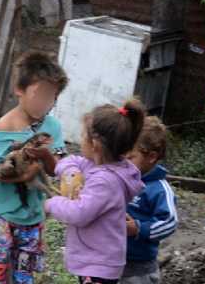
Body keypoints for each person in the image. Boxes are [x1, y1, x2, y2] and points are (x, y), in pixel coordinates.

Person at [0, 52, 69, 284]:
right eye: (40, 94)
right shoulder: (6, 125)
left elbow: (57, 169)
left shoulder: (52, 126)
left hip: (33, 217)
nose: (46, 103)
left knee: (26, 276)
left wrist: (46, 156)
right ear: (20, 89)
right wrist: (25, 173)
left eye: (52, 97)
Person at [44, 100, 147, 284]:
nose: (80, 140)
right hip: (96, 260)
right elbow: (71, 161)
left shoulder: (105, 181)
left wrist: (52, 204)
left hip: (98, 265)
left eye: (83, 136)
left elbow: (79, 213)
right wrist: (70, 172)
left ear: (95, 145)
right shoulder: (102, 166)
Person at [122, 117, 178, 284]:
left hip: (139, 270)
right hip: (109, 261)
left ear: (151, 157)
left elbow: (169, 222)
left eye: (130, 157)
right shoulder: (120, 180)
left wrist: (139, 229)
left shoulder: (159, 189)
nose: (123, 162)